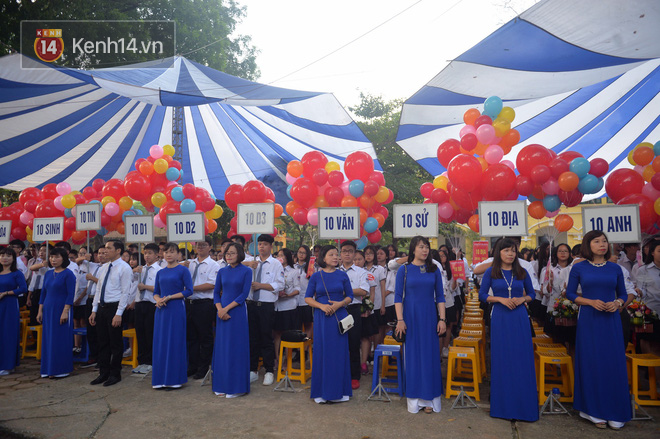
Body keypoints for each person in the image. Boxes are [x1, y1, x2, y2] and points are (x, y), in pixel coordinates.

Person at [566, 231, 631, 430]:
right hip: (589, 318)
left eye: (604, 241)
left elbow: (623, 293)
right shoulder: (579, 268)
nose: (602, 244)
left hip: (611, 318)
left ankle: (616, 409)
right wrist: (589, 302)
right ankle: (592, 409)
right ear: (588, 244)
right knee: (591, 360)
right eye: (596, 241)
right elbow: (569, 293)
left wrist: (618, 302)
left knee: (613, 361)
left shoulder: (615, 268)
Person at [478, 237, 538, 422]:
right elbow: (482, 294)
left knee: (521, 358)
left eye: (513, 250)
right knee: (502, 358)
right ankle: (502, 406)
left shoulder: (522, 272)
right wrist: (500, 299)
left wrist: (522, 299)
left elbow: (532, 294)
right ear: (499, 253)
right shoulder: (491, 272)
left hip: (519, 317)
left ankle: (523, 406)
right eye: (506, 251)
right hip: (500, 317)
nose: (510, 254)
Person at [394, 236, 446, 414]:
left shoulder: (434, 269)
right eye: (421, 247)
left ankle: (430, 399)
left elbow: (440, 297)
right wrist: (400, 320)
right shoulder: (404, 269)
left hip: (430, 317)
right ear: (413, 249)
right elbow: (397, 297)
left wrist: (442, 319)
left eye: (427, 247)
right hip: (410, 318)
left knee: (430, 356)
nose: (425, 250)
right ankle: (415, 400)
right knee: (413, 356)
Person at [305, 245, 354, 403]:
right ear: (323, 258)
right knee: (322, 352)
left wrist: (339, 304)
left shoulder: (342, 276)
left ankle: (340, 392)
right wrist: (322, 306)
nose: (335, 257)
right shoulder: (316, 276)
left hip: (339, 317)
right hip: (322, 318)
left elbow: (350, 297)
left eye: (336, 254)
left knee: (339, 353)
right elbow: (307, 298)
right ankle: (322, 392)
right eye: (331, 254)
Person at [89, 240, 133, 387]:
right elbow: (99, 290)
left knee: (115, 343)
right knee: (102, 341)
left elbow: (125, 292)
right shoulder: (103, 268)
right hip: (102, 307)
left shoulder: (124, 268)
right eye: (104, 248)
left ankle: (115, 373)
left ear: (118, 250)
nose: (105, 251)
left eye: (109, 248)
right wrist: (94, 310)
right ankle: (103, 372)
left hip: (115, 308)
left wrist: (119, 313)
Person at [212, 242, 252, 398]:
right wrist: (219, 309)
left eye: (232, 253)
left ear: (240, 254)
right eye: (227, 253)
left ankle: (237, 387)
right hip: (221, 312)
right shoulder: (222, 271)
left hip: (237, 312)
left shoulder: (246, 271)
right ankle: (221, 384)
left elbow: (243, 294)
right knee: (222, 347)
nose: (228, 256)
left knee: (236, 347)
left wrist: (226, 309)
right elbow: (216, 293)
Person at [152, 242, 194, 389]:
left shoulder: (183, 270)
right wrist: (158, 300)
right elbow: (155, 292)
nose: (168, 254)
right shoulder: (160, 272)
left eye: (172, 252)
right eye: (166, 252)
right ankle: (159, 379)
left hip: (176, 308)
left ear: (178, 255)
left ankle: (175, 378)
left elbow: (189, 291)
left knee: (175, 341)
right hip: (161, 310)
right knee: (161, 342)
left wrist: (169, 297)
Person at [244, 234, 284, 386]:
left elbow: (280, 285)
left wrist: (261, 286)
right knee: (252, 338)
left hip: (266, 306)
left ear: (270, 247)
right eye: (259, 244)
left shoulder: (275, 264)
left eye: (265, 244)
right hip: (251, 304)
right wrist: (248, 265)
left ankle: (268, 370)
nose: (261, 247)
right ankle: (253, 370)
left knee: (266, 338)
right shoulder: (250, 262)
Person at [37, 247, 76, 379]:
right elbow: (43, 293)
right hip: (48, 309)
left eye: (57, 257)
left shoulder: (69, 274)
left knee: (60, 339)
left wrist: (65, 311)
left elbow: (71, 295)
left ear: (64, 259)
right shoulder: (48, 274)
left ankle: (61, 369)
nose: (53, 259)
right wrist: (40, 311)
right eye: (52, 257)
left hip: (61, 309)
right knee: (48, 339)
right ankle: (48, 368)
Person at [186, 238, 220, 380]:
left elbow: (211, 284)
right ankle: (192, 366)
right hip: (189, 303)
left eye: (204, 245)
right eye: (198, 245)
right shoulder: (190, 263)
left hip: (204, 304)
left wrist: (189, 288)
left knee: (205, 337)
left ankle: (204, 368)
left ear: (210, 247)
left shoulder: (214, 265)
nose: (200, 247)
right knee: (191, 337)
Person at [337, 241, 369, 389]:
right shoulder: (335, 271)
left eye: (350, 251)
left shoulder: (361, 272)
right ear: (340, 254)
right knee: (337, 342)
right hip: (337, 310)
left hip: (353, 309)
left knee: (353, 343)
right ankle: (338, 373)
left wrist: (344, 292)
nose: (347, 254)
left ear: (355, 253)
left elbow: (363, 291)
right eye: (344, 251)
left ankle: (354, 376)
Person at [133, 244, 161, 374]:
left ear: (157, 255)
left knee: (150, 333)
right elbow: (132, 284)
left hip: (151, 304)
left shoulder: (159, 270)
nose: (147, 256)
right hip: (139, 303)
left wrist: (145, 287)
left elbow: (160, 288)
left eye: (150, 253)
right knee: (140, 333)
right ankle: (142, 360)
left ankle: (150, 361)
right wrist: (133, 271)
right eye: (145, 253)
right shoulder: (140, 269)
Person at [0, 248, 28, 375]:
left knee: (8, 334)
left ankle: (8, 365)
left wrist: (6, 293)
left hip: (10, 305)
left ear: (13, 258)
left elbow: (23, 288)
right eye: (2, 255)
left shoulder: (17, 273)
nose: (4, 258)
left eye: (8, 255)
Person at [273, 248, 300, 360]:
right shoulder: (275, 270)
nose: (280, 258)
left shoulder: (294, 272)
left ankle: (287, 360)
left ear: (288, 257)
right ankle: (277, 359)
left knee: (287, 334)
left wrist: (288, 295)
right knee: (276, 333)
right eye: (278, 255)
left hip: (288, 306)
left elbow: (297, 289)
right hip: (276, 306)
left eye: (282, 255)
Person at [295, 245, 313, 339]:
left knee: (308, 324)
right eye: (299, 252)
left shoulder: (311, 267)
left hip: (307, 300)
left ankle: (305, 349)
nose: (301, 255)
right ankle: (298, 349)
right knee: (297, 325)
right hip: (295, 300)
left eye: (304, 253)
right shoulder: (293, 267)